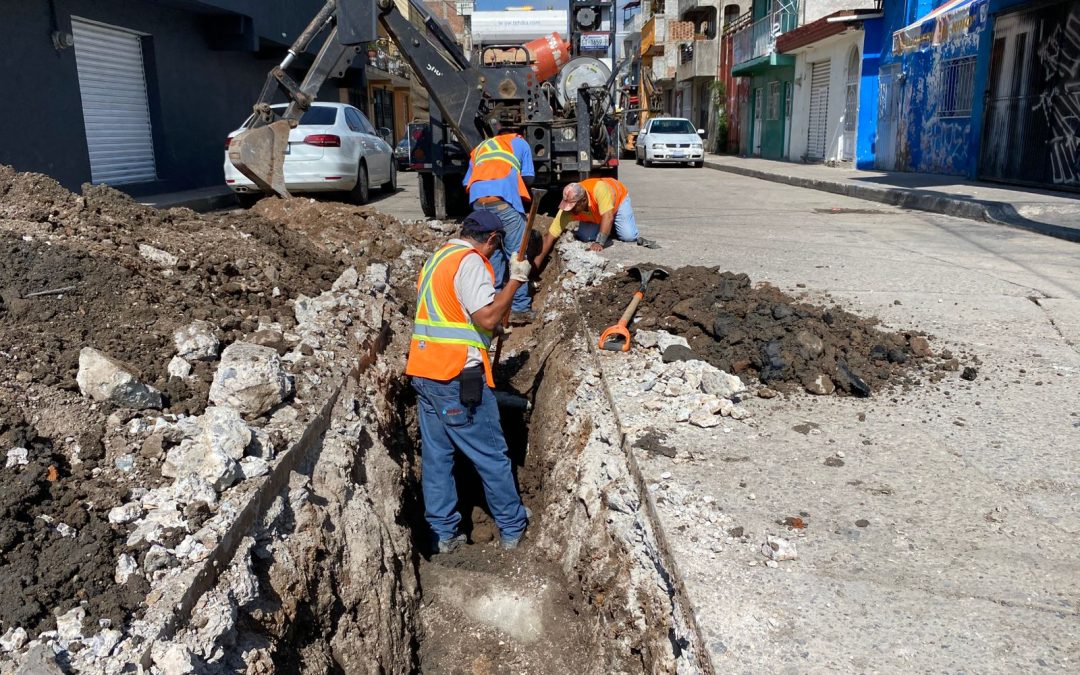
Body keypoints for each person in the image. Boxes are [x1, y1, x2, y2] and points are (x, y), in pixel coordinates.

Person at [405, 210, 533, 553]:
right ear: (491, 239)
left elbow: (453, 314)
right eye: (496, 246)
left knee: (437, 456)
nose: (494, 253)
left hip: (425, 371)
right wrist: (515, 283)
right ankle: (512, 525)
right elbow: (486, 314)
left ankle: (443, 533)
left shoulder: (438, 258)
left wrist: (488, 330)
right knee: (490, 453)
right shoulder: (472, 261)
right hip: (458, 376)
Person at [463, 125, 535, 322]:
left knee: (491, 250)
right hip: (503, 200)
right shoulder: (520, 142)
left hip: (478, 202)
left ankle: (492, 300)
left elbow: (467, 182)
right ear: (516, 132)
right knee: (517, 252)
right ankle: (520, 307)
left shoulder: (480, 147)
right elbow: (528, 177)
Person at [534, 178, 655, 268]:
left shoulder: (599, 189)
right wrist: (536, 264)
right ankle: (606, 227)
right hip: (596, 215)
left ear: (583, 201)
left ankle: (609, 227)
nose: (570, 210)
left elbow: (607, 216)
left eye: (573, 207)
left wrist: (599, 242)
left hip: (618, 201)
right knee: (586, 237)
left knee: (628, 236)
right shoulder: (569, 207)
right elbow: (550, 237)